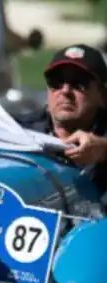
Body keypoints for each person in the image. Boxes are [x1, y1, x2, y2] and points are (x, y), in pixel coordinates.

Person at [18, 44, 107, 194]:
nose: (65, 91)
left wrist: (103, 151)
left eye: (80, 83)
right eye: (56, 81)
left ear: (103, 95)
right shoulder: (21, 130)